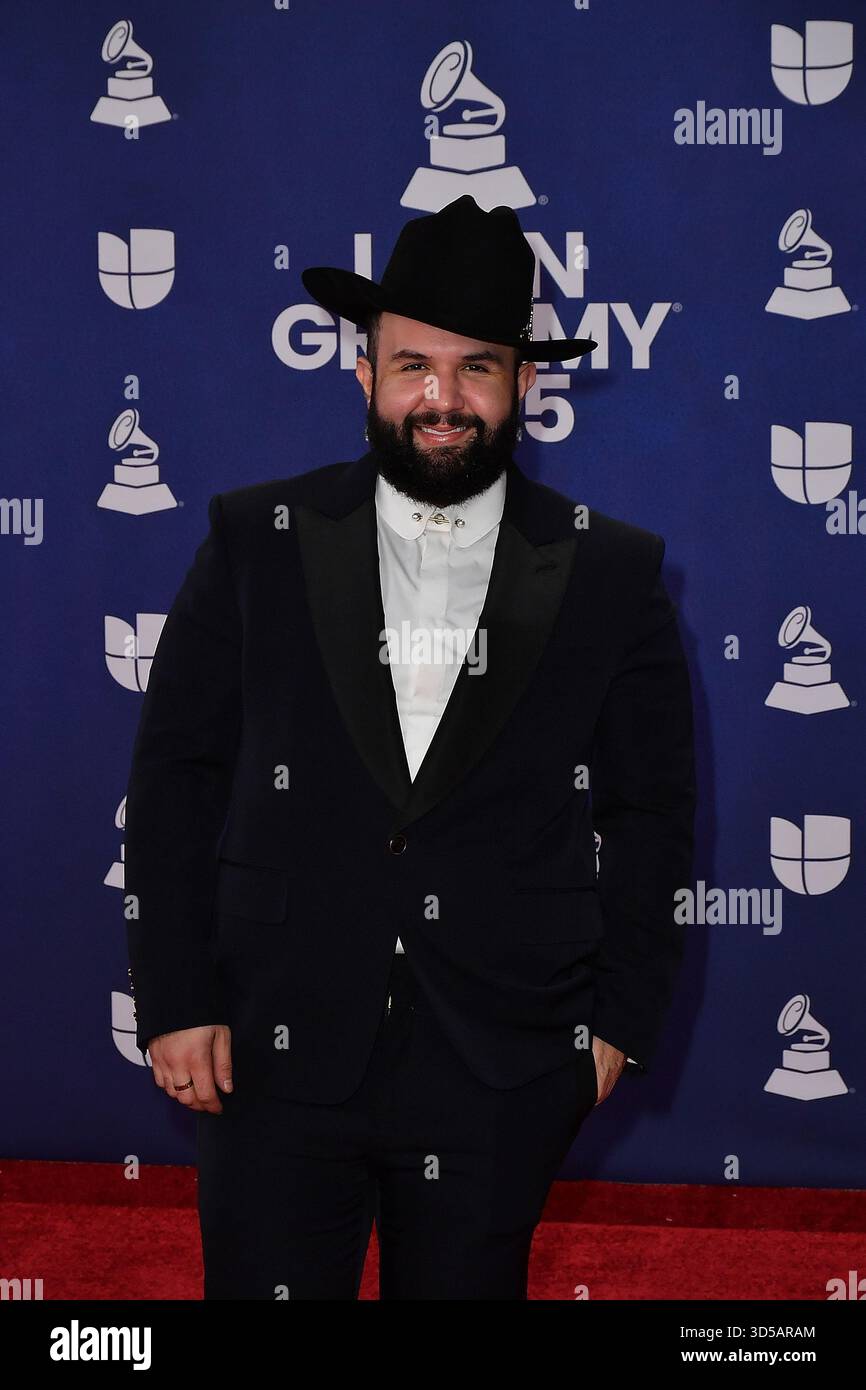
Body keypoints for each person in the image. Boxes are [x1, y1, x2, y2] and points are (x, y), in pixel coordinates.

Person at [124, 194, 696, 1299]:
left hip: (502, 1058)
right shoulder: (256, 539)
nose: (442, 398)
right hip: (270, 1044)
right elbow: (175, 776)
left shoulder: (609, 571)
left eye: (476, 367)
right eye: (412, 365)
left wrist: (612, 1030)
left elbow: (651, 814)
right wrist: (177, 995)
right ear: (364, 373)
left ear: (525, 382)